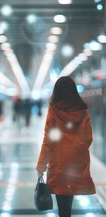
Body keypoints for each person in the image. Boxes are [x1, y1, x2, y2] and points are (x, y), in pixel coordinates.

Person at [36, 76, 96, 217]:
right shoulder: (83, 111)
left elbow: (48, 141)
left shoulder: (54, 111)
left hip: (59, 164)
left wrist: (41, 166)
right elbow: (89, 138)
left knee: (63, 207)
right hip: (77, 164)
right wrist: (76, 149)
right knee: (68, 203)